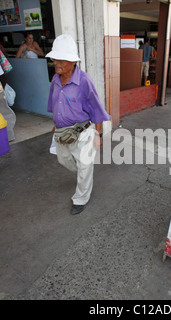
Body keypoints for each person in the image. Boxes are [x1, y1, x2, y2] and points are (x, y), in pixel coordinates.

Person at [46, 34, 110, 215]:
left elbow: (96, 109)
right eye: (55, 58)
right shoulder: (55, 79)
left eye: (62, 59)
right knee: (63, 160)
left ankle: (81, 198)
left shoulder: (84, 81)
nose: (57, 62)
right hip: (62, 132)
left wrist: (98, 134)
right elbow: (54, 104)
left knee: (84, 166)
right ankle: (84, 174)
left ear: (73, 61)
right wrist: (54, 125)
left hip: (84, 132)